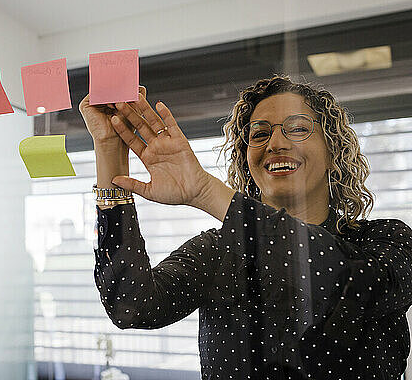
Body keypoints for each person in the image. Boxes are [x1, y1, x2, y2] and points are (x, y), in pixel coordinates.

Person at [78, 75, 412, 379]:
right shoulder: (217, 250)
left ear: (332, 151)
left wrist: (206, 192)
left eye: (297, 128)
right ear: (246, 159)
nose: (275, 143)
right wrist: (109, 150)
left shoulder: (385, 241)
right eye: (260, 133)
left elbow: (351, 284)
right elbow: (131, 306)